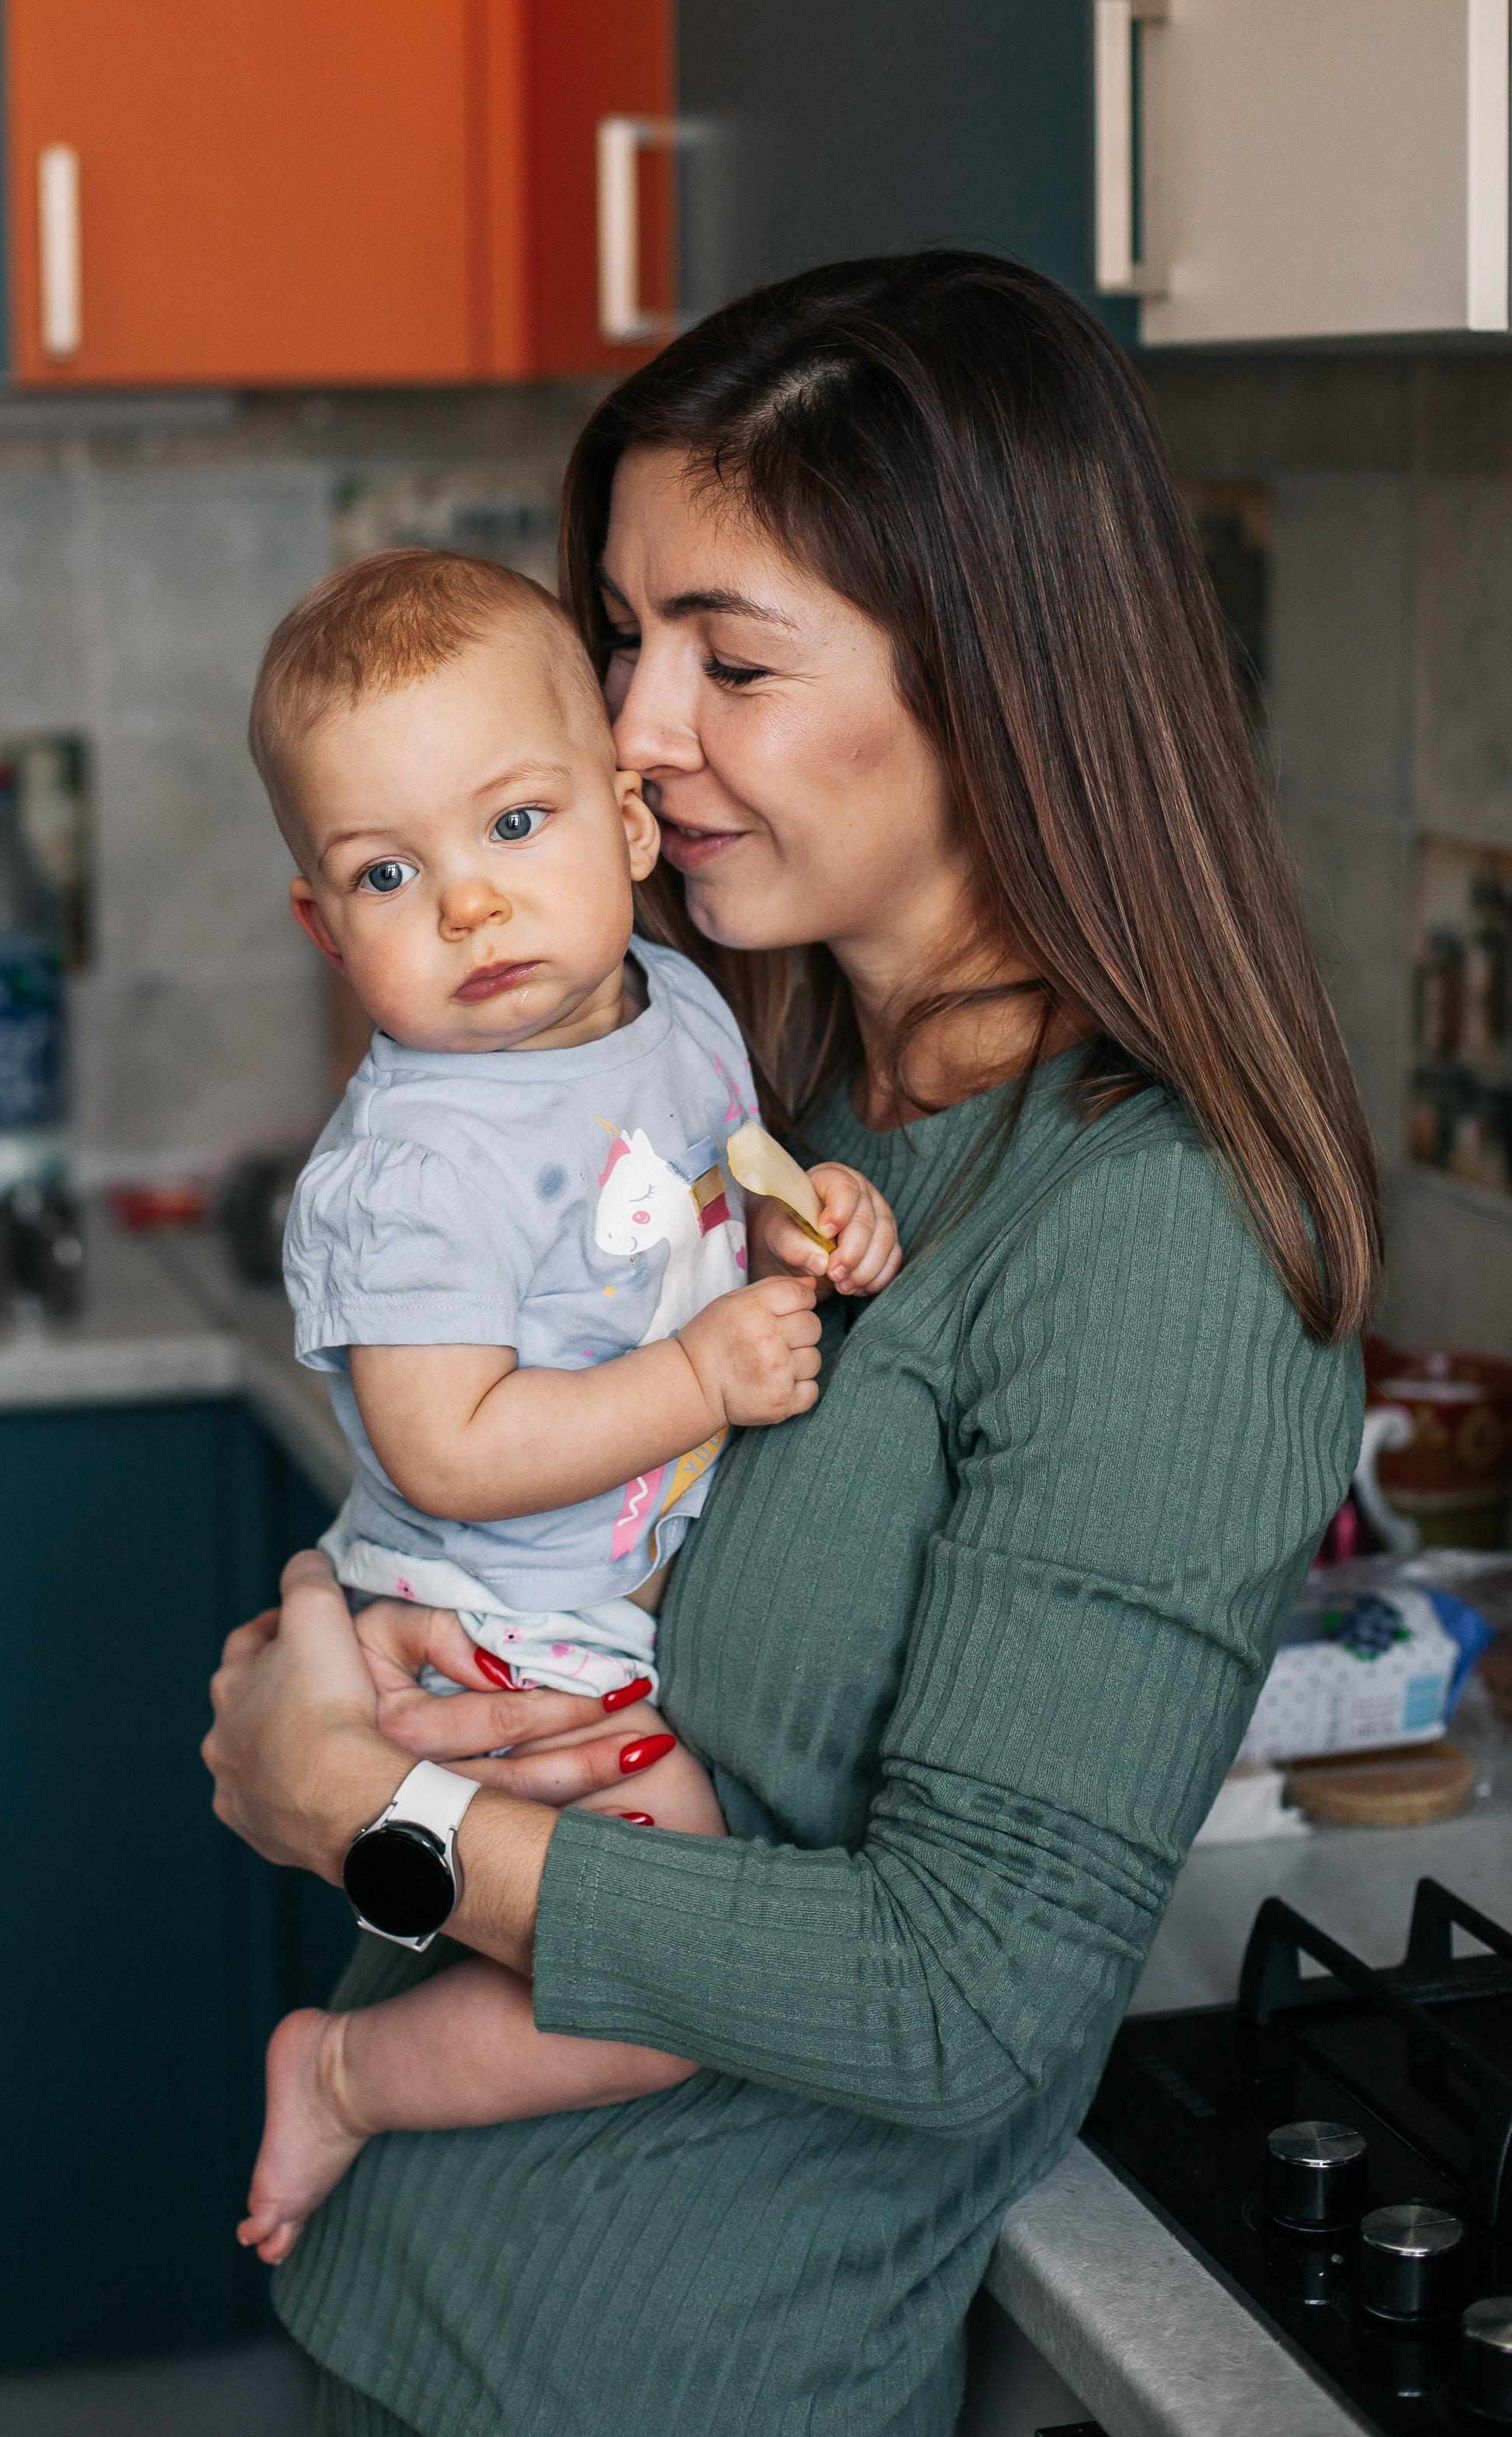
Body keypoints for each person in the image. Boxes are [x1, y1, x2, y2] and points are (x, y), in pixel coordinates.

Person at [204, 251, 1379, 2437]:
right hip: (395, 2303)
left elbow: (958, 1995)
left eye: (724, 659)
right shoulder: (746, 1064)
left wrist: (366, 1813)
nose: (634, 732)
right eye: (626, 638)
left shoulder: (1161, 1239)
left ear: (993, 675)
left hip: (671, 2377)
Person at [234, 547, 900, 2259]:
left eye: (513, 827)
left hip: (599, 1585)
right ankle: (349, 2073)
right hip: (496, 1620)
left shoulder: (672, 1004)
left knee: (667, 1947)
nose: (468, 904)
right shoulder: (415, 1168)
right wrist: (696, 1380)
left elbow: (705, 1186)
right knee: (673, 1977)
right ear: (320, 925)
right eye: (390, 871)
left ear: (627, 823)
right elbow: (447, 1452)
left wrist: (799, 1206)